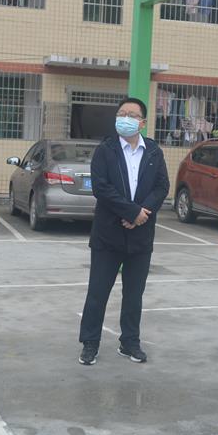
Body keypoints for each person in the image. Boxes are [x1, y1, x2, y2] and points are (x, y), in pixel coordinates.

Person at [78, 98, 170, 365]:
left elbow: (162, 186)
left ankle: (130, 342)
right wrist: (131, 212)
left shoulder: (153, 151)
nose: (125, 118)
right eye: (121, 113)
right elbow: (101, 188)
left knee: (134, 295)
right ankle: (90, 343)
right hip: (108, 234)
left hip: (141, 234)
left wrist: (142, 214)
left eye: (131, 114)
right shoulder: (105, 149)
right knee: (97, 293)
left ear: (142, 122)